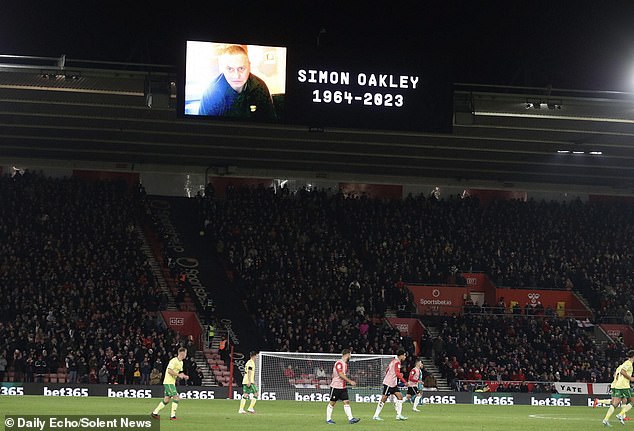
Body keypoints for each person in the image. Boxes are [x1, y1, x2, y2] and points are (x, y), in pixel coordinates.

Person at [197, 44, 276, 120]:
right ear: (222, 69)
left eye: (241, 68)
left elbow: (270, 123)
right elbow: (204, 128)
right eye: (230, 69)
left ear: (249, 67)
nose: (236, 76)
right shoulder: (211, 92)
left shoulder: (260, 87)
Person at [151, 347, 189, 421]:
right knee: (176, 397)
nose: (186, 355)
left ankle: (154, 413)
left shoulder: (181, 362)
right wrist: (178, 375)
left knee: (166, 400)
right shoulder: (173, 361)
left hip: (171, 383)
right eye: (185, 353)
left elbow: (179, 373)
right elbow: (169, 371)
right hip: (168, 382)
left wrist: (183, 376)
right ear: (182, 353)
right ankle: (173, 416)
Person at [325, 349, 361, 425]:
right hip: (336, 386)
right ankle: (328, 419)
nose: (350, 357)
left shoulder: (345, 364)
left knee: (346, 402)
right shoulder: (339, 363)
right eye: (350, 355)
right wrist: (350, 381)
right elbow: (341, 375)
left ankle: (351, 419)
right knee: (332, 403)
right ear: (347, 354)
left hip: (343, 387)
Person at [373, 349, 408, 421]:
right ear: (401, 355)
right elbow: (397, 373)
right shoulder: (397, 363)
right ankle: (376, 415)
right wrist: (404, 381)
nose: (405, 357)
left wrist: (390, 375)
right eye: (404, 355)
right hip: (389, 383)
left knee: (400, 397)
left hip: (393, 383)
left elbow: (387, 370)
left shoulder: (393, 361)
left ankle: (399, 415)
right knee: (384, 399)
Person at [603, 349, 634, 426]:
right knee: (633, 401)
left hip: (618, 385)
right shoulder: (628, 363)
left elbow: (616, 374)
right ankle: (621, 414)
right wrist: (630, 378)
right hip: (624, 386)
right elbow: (622, 372)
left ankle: (605, 420)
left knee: (615, 403)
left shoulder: (624, 364)